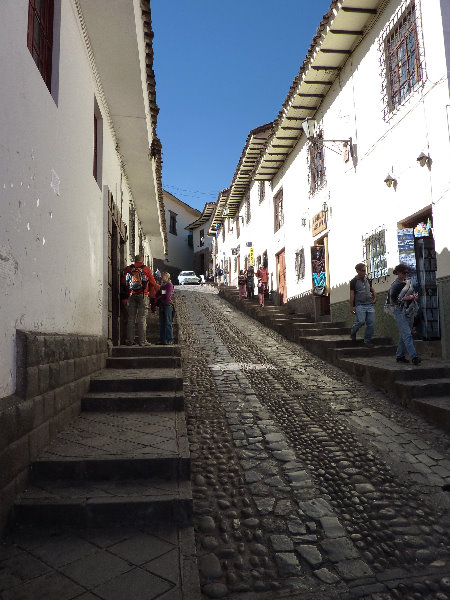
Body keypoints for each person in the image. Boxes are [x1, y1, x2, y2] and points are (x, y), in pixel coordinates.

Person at [123, 254, 158, 346]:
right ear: (142, 260)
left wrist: (130, 290)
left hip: (132, 295)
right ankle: (142, 341)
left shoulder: (129, 269)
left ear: (134, 260)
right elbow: (153, 282)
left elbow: (124, 282)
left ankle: (130, 340)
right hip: (143, 295)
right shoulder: (146, 269)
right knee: (142, 318)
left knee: (131, 318)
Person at [389, 263, 421, 365]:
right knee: (407, 334)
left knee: (405, 335)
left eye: (407, 273)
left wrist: (414, 297)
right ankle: (414, 356)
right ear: (398, 273)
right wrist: (407, 298)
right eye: (404, 273)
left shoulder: (408, 283)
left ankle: (399, 356)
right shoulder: (395, 285)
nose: (405, 275)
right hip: (400, 311)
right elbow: (393, 300)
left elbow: (410, 295)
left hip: (409, 310)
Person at [349, 263, 377, 346]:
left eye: (365, 270)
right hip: (359, 305)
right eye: (363, 270)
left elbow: (372, 290)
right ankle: (353, 331)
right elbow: (352, 294)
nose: (364, 272)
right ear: (357, 271)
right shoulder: (353, 281)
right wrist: (351, 306)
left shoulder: (368, 280)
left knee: (371, 323)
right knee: (361, 321)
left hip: (369, 305)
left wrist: (375, 297)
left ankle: (367, 341)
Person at [156, 271, 174, 345]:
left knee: (168, 323)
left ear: (166, 277)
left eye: (163, 276)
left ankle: (170, 339)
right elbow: (157, 294)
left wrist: (161, 293)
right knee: (162, 323)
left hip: (167, 305)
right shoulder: (163, 286)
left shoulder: (169, 285)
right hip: (162, 305)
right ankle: (163, 340)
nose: (161, 277)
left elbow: (167, 296)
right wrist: (161, 289)